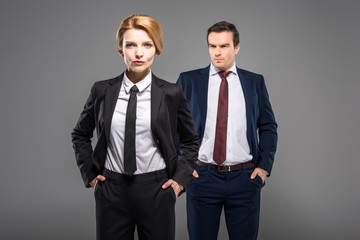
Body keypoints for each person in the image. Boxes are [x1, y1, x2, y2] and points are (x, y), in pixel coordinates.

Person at [71, 14, 199, 240]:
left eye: (147, 45)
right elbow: (80, 134)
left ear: (156, 49)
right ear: (121, 50)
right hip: (112, 189)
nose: (139, 53)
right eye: (131, 45)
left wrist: (179, 182)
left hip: (156, 189)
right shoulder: (102, 91)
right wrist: (91, 175)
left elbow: (190, 141)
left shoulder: (171, 93)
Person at [176, 21, 278, 240]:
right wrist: (182, 167)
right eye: (212, 46)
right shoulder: (189, 81)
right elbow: (171, 127)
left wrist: (263, 168)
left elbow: (268, 125)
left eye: (223, 46)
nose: (217, 52)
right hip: (201, 177)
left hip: (245, 178)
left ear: (236, 47)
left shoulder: (254, 82)